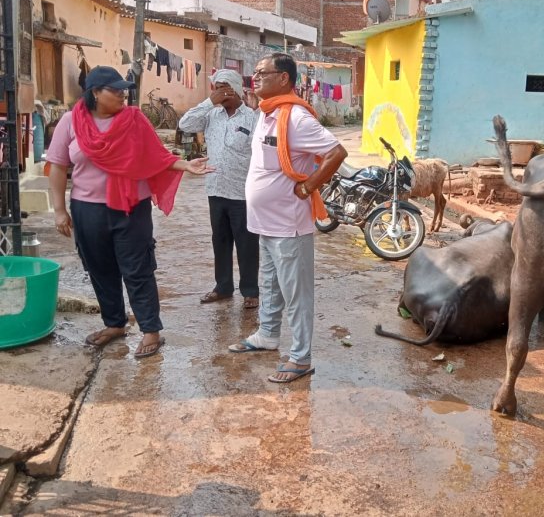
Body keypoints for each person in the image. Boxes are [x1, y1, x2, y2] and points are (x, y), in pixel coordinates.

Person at [47, 66, 214, 358]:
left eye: (125, 89)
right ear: (95, 93)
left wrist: (185, 164)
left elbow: (156, 155)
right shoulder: (70, 122)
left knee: (138, 269)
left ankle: (151, 330)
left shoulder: (135, 120)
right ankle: (114, 324)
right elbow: (58, 166)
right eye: (116, 90)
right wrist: (60, 211)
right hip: (87, 208)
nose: (124, 94)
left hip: (130, 208)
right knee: (99, 268)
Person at [229, 53, 347, 383]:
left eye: (263, 73)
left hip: (288, 223)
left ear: (283, 78)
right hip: (265, 221)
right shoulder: (266, 114)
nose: (255, 77)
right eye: (254, 72)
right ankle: (267, 334)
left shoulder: (295, 117)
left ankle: (300, 356)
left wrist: (309, 185)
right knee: (269, 283)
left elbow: (336, 152)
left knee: (296, 293)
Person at [179, 70, 260, 309]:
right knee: (220, 241)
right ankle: (223, 287)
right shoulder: (211, 114)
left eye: (223, 87)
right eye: (216, 87)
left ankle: (250, 290)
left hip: (242, 193)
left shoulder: (252, 117)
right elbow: (185, 125)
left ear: (235, 89)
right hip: (215, 190)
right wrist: (208, 102)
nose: (218, 91)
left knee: (246, 244)